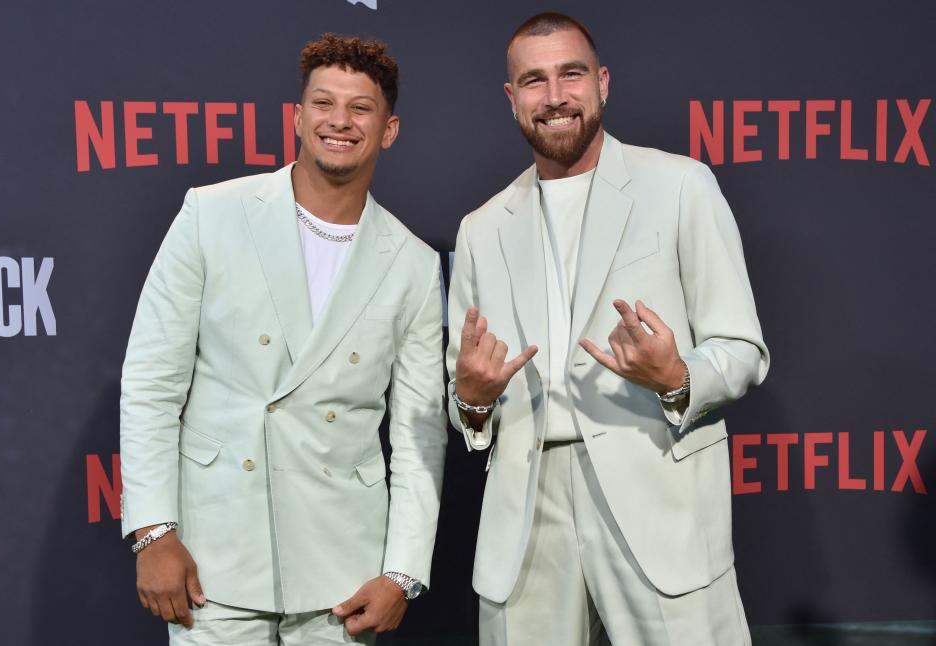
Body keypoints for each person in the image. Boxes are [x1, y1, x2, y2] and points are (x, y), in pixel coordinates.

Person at [447, 12, 770, 646]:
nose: (555, 96)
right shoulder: (481, 229)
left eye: (571, 74)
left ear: (603, 83)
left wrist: (676, 378)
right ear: (512, 99)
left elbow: (742, 349)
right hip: (526, 510)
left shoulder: (681, 185)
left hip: (657, 494)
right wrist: (473, 401)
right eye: (533, 81)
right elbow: (463, 397)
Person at [120, 33, 447, 645]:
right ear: (298, 116)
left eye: (361, 108)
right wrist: (153, 533)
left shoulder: (413, 264)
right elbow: (151, 383)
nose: (340, 122)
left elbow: (417, 431)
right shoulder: (212, 214)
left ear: (390, 129)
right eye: (323, 104)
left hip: (343, 574)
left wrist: (402, 572)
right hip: (211, 561)